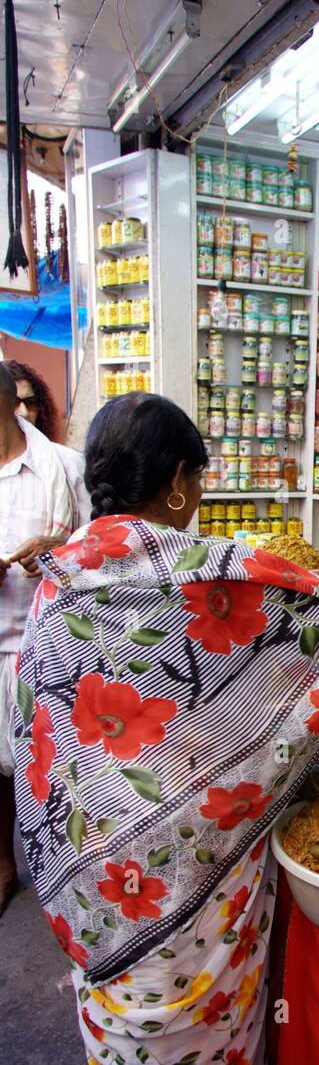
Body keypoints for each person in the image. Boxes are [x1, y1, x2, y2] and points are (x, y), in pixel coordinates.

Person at [13, 392, 319, 1065]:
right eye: (199, 480)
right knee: (192, 1036)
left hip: (94, 865)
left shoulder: (61, 576)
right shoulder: (210, 571)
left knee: (124, 1024)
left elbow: (39, 723)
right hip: (186, 859)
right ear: (180, 482)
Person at [0, 360, 75, 910]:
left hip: (42, 646)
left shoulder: (64, 469)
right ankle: (4, 861)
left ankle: (64, 865)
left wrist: (61, 548)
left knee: (55, 773)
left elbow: (105, 544)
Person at [5, 357, 90, 525]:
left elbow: (89, 536)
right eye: (14, 403)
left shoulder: (69, 464)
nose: (23, 412)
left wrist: (57, 546)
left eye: (30, 403)